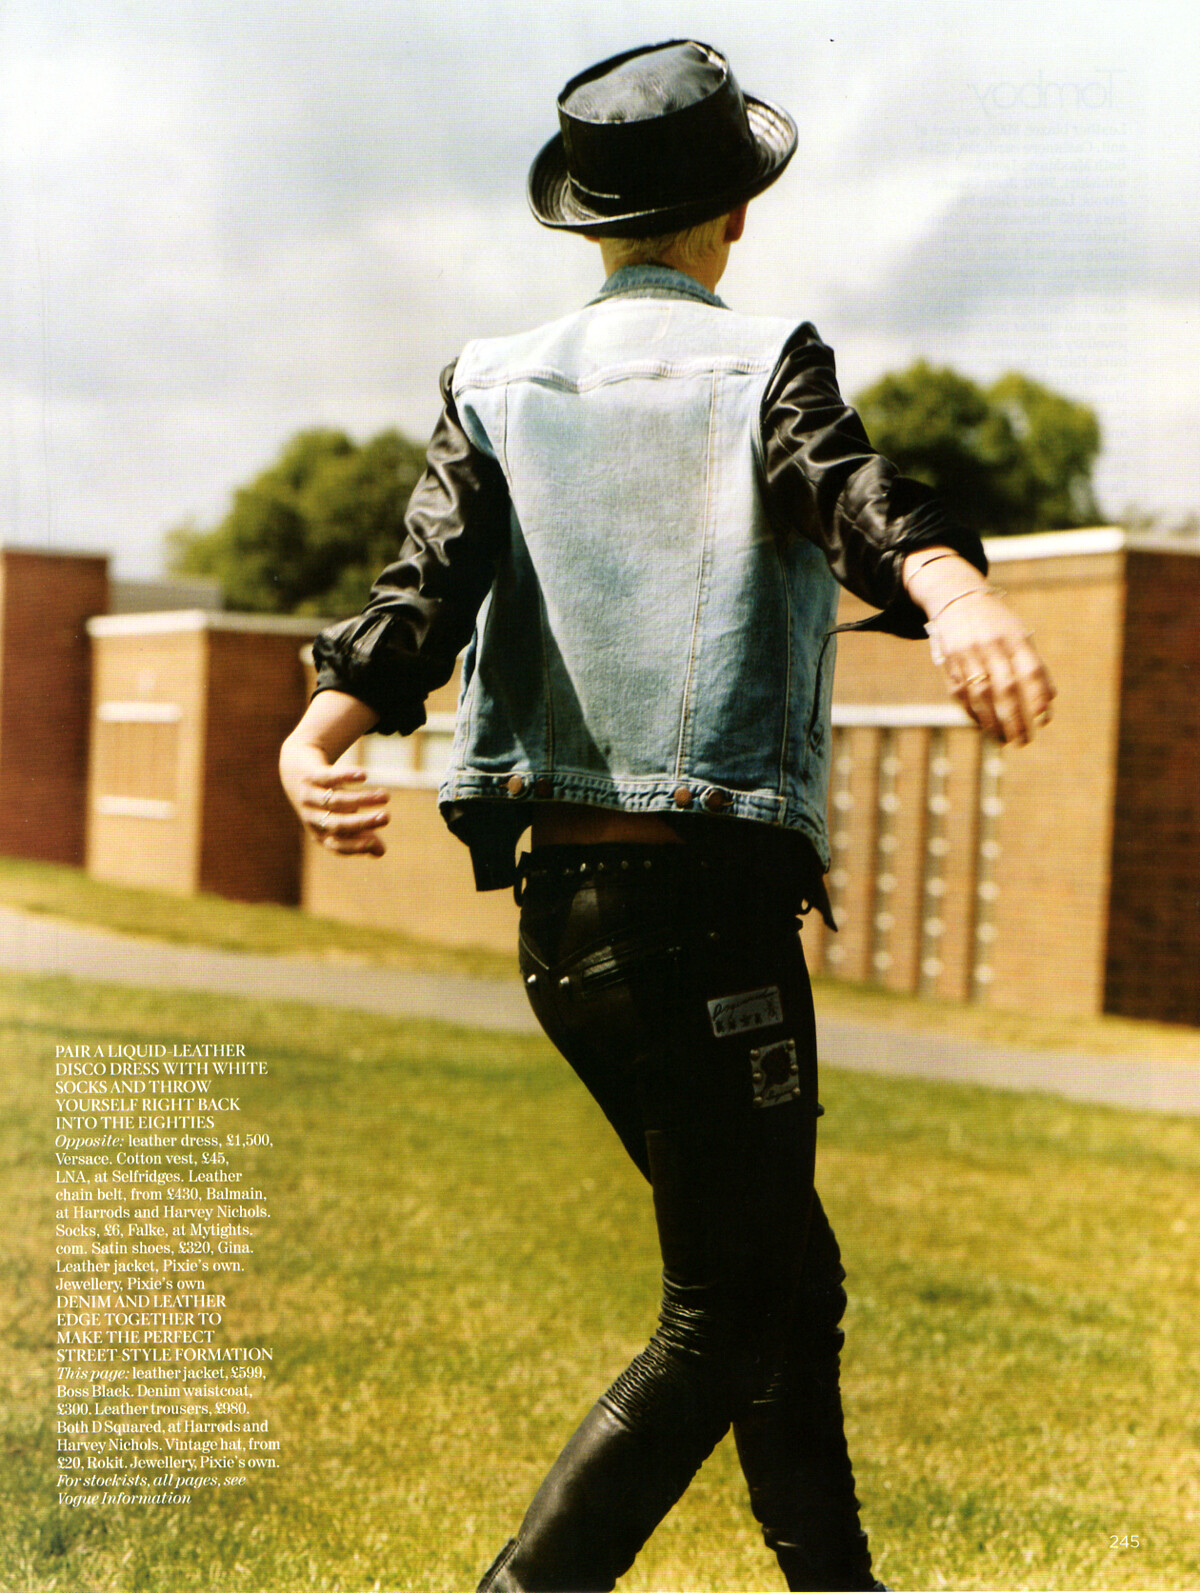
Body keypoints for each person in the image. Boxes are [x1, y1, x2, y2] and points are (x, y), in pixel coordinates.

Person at [279, 39, 1055, 1593]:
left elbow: (423, 588)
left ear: (590, 221)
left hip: (568, 933)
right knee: (727, 1310)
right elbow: (848, 493)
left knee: (786, 1286)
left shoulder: (492, 382)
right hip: (705, 920)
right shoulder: (762, 363)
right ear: (738, 213)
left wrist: (321, 725)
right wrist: (955, 588)